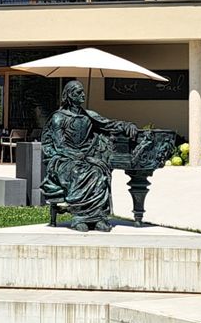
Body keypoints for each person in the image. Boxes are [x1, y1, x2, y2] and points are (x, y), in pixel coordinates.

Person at [41, 80, 137, 232]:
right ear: (69, 95)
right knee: (78, 172)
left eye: (83, 91)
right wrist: (75, 155)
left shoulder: (88, 116)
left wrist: (127, 125)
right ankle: (79, 217)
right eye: (78, 92)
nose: (83, 95)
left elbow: (109, 124)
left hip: (86, 157)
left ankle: (98, 218)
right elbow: (59, 145)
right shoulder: (58, 118)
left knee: (98, 171)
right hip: (64, 159)